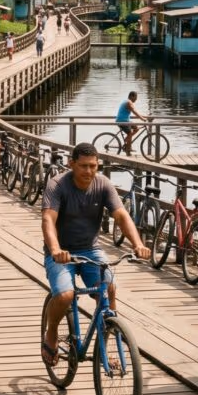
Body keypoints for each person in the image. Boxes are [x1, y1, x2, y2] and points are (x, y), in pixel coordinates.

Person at [41, 142, 152, 366]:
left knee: (109, 289)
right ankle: (51, 332)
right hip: (62, 252)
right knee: (64, 295)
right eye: (83, 166)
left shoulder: (103, 184)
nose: (89, 171)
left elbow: (121, 215)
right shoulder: (57, 185)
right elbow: (48, 220)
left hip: (91, 249)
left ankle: (106, 341)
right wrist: (55, 249)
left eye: (93, 166)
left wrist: (137, 244)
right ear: (71, 163)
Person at [115, 91, 149, 155]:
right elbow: (134, 112)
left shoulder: (128, 102)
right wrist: (142, 119)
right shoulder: (129, 102)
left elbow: (136, 112)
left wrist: (146, 117)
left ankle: (127, 139)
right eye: (135, 98)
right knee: (130, 132)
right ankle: (128, 148)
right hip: (121, 121)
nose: (136, 99)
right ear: (131, 96)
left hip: (126, 121)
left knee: (136, 128)